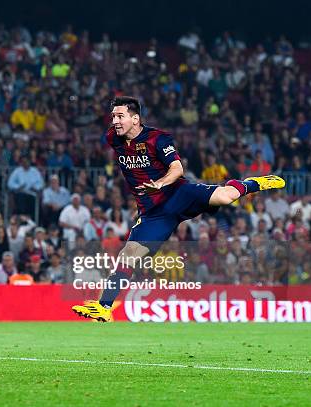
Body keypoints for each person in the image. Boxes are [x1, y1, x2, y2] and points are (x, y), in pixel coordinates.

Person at [72, 96, 285, 322]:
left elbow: (177, 168)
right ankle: (104, 307)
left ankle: (256, 183)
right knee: (129, 255)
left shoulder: (158, 139)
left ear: (135, 119)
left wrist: (161, 183)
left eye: (120, 116)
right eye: (113, 116)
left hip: (178, 194)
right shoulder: (113, 138)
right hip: (153, 213)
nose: (115, 120)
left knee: (225, 197)